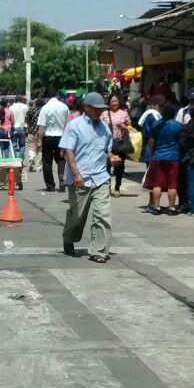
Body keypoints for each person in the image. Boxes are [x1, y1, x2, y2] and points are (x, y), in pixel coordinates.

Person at [59, 92, 116, 263]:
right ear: (86, 108)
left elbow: (107, 150)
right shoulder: (74, 125)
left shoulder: (105, 128)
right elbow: (68, 151)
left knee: (102, 215)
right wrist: (76, 174)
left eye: (102, 109)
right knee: (76, 216)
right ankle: (68, 238)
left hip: (101, 178)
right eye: (97, 109)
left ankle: (99, 251)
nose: (100, 112)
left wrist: (112, 157)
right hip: (80, 178)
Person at [143, 102, 183, 215]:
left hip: (158, 156)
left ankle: (156, 207)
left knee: (157, 184)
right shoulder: (178, 125)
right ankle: (171, 208)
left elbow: (151, 141)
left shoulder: (156, 124)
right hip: (173, 157)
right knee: (172, 184)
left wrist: (151, 154)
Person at [38, 88, 70, 192]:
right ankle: (61, 176)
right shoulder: (64, 107)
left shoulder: (45, 108)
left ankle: (50, 185)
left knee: (47, 161)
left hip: (48, 137)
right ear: (56, 95)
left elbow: (42, 127)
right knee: (61, 159)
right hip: (61, 136)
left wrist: (39, 140)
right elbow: (68, 124)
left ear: (47, 97)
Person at [101, 94, 132, 196]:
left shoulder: (124, 113)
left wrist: (124, 126)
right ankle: (107, 187)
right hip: (107, 144)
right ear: (109, 102)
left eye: (115, 101)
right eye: (112, 101)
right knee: (107, 166)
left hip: (120, 143)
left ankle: (117, 187)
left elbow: (129, 126)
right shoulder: (104, 114)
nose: (114, 103)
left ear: (119, 102)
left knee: (119, 167)